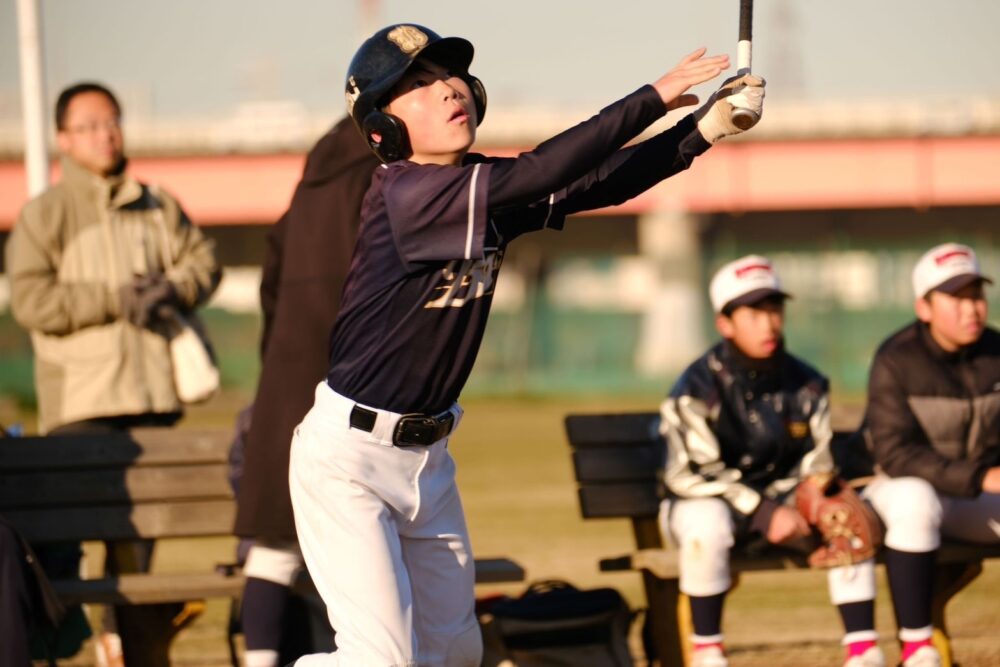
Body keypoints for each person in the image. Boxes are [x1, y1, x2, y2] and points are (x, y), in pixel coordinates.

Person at [287, 23, 765, 666]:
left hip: (427, 460)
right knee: (381, 659)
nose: (448, 88)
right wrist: (652, 96)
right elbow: (546, 166)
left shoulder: (474, 191)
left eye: (450, 75)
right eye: (418, 86)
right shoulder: (409, 194)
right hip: (349, 462)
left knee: (453, 653)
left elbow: (598, 182)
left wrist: (704, 130)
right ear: (384, 130)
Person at [5, 81, 221, 666]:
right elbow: (29, 301)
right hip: (81, 406)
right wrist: (113, 299)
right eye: (93, 125)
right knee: (61, 554)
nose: (108, 134)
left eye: (114, 121)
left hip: (154, 396)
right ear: (63, 139)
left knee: (136, 558)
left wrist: (172, 288)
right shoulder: (44, 214)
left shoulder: (158, 203)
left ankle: (122, 646)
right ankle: (54, 647)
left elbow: (204, 263)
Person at [657, 255, 882, 667]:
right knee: (706, 523)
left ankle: (864, 651)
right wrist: (762, 512)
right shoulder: (696, 386)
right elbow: (694, 473)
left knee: (841, 511)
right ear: (724, 323)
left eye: (774, 309)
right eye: (754, 312)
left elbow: (817, 460)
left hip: (780, 508)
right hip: (699, 507)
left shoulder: (807, 382)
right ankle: (708, 653)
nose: (769, 323)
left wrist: (815, 493)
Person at [233, 116, 379, 667]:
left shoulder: (307, 189)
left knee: (272, 550)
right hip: (350, 383)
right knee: (363, 542)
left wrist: (277, 362)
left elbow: (270, 288)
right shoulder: (383, 182)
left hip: (283, 384)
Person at [861, 242, 1000, 667]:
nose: (971, 308)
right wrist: (980, 478)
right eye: (955, 297)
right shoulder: (896, 358)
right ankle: (918, 648)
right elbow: (894, 452)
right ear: (924, 307)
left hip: (974, 498)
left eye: (975, 294)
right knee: (914, 501)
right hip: (907, 493)